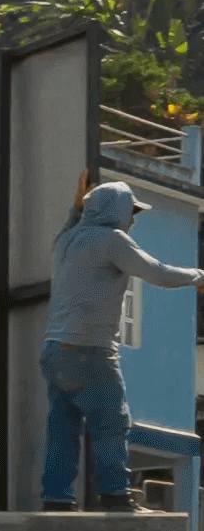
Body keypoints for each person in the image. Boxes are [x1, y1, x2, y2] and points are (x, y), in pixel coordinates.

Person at [40, 180, 196, 513]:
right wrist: (198, 276)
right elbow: (158, 273)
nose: (133, 219)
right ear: (115, 211)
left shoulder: (67, 240)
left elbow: (72, 224)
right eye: (131, 211)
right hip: (90, 350)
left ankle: (56, 500)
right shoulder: (112, 240)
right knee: (112, 423)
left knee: (62, 429)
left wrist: (76, 209)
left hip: (54, 351)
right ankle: (115, 496)